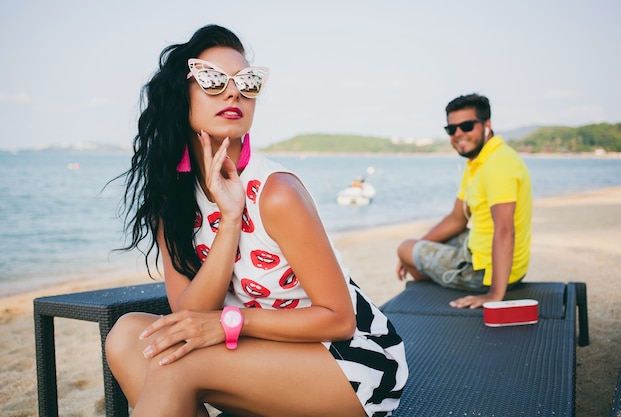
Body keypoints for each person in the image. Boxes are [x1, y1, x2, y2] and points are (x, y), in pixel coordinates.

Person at [105, 24, 407, 417]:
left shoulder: (276, 192)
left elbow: (338, 320)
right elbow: (189, 315)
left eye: (248, 83)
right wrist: (229, 222)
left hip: (350, 363)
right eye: (212, 80)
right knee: (127, 336)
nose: (234, 92)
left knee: (178, 363)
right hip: (260, 354)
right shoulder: (173, 200)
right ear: (182, 95)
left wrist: (230, 322)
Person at [396, 93, 532, 309]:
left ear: (487, 124)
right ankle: (425, 260)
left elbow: (505, 229)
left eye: (467, 126)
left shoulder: (498, 164)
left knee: (403, 248)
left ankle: (447, 275)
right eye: (452, 129)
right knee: (413, 250)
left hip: (484, 273)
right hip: (479, 249)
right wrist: (421, 246)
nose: (458, 134)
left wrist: (494, 294)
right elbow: (457, 219)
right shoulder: (479, 161)